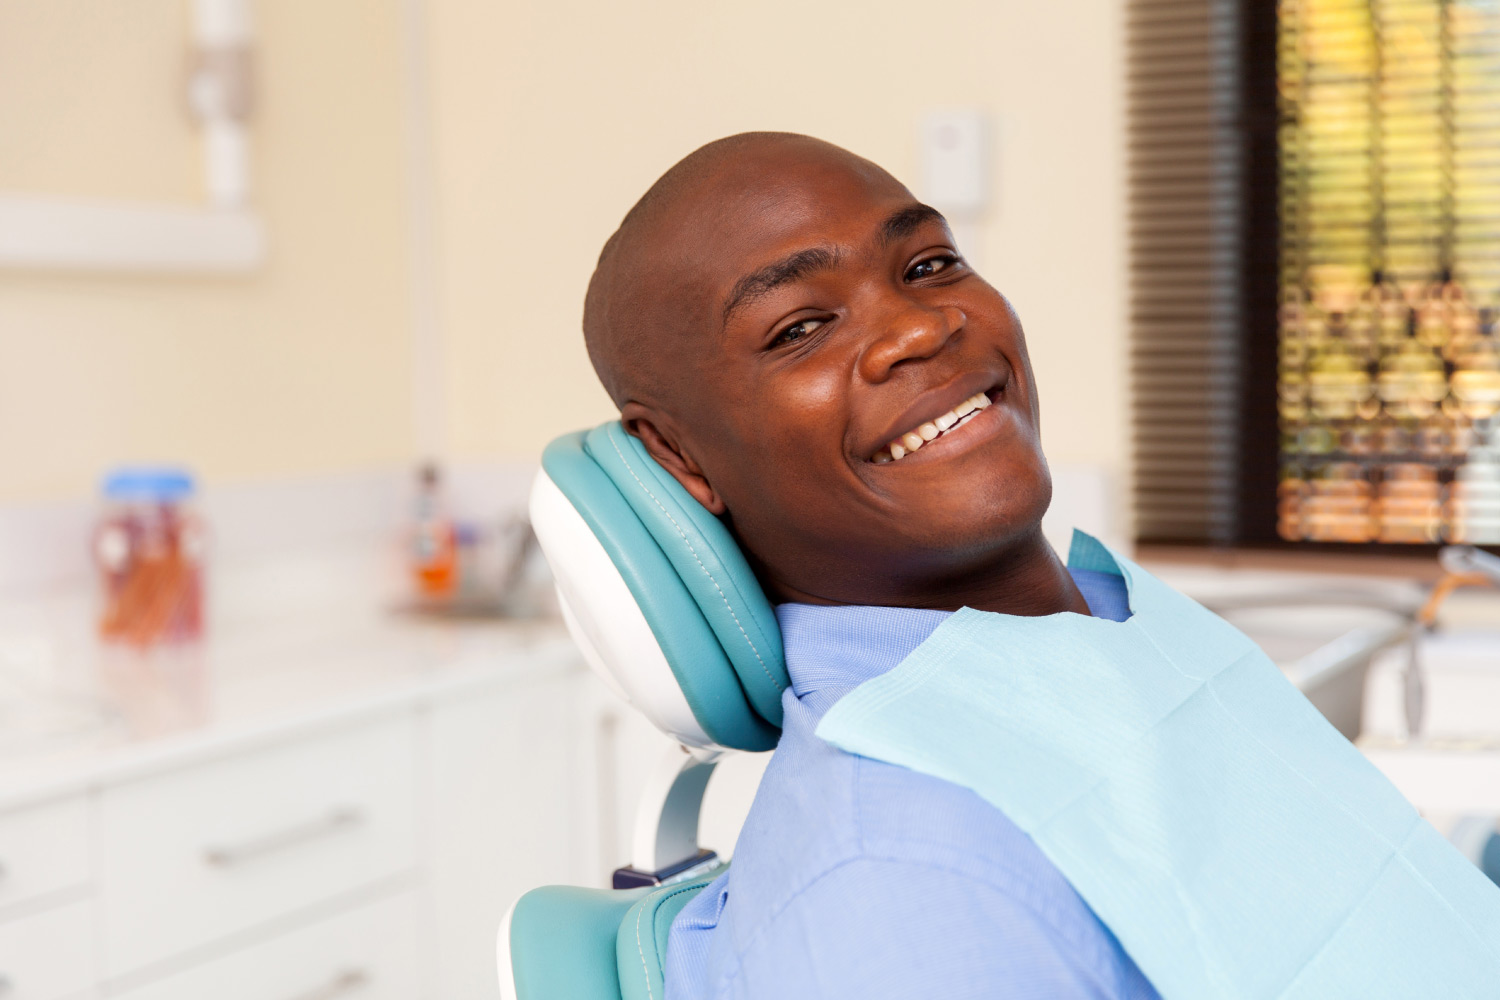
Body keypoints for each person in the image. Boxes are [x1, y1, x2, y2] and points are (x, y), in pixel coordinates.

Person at [583, 132, 1158, 999]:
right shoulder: (902, 890)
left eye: (928, 265)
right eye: (801, 328)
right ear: (679, 457)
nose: (922, 327)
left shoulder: (1118, 622)